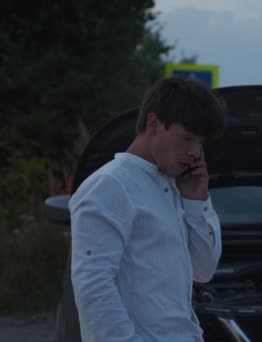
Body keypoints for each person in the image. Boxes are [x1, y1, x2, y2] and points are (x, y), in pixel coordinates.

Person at [69, 76, 226, 341]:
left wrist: (196, 202)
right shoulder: (108, 187)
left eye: (200, 143)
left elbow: (204, 270)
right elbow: (94, 289)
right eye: (187, 138)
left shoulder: (176, 185)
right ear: (153, 124)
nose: (195, 153)